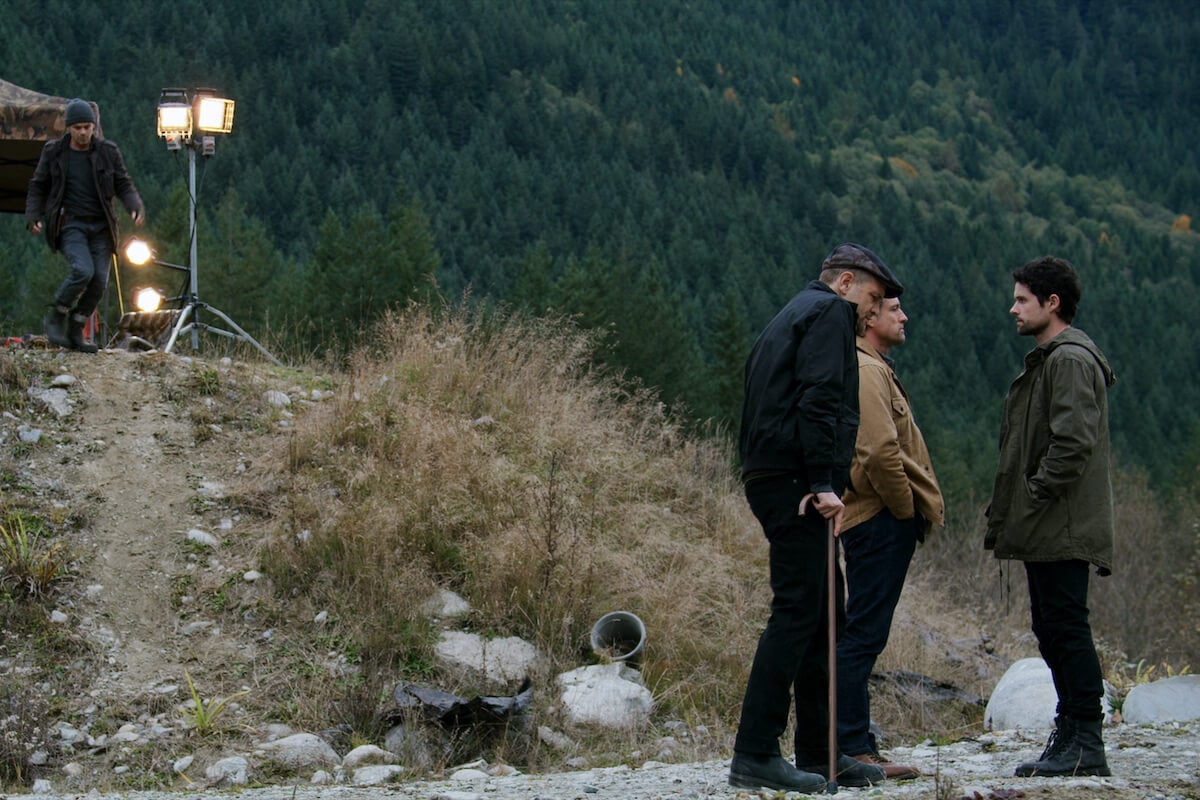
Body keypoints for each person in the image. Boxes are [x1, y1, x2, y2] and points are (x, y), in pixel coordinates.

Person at [729, 243, 902, 793]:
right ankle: (755, 753)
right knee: (800, 611)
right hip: (797, 482)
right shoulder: (828, 311)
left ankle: (821, 754)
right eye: (872, 299)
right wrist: (824, 483)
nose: (873, 312)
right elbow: (821, 397)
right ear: (845, 282)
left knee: (827, 614)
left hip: (771, 474)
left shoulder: (790, 314)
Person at [985, 255, 1115, 778]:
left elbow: (1072, 442)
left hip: (1060, 522)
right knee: (1052, 626)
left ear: (1051, 302)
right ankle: (1072, 734)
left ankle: (1085, 742)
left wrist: (1034, 495)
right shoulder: (1051, 358)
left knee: (1065, 627)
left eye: (1022, 299)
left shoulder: (1067, 360)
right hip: (1050, 521)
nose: (1012, 308)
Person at [837, 296, 944, 779]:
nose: (904, 317)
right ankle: (851, 748)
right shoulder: (867, 370)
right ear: (871, 317)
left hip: (875, 519)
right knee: (862, 634)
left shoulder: (874, 368)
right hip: (878, 519)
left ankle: (852, 743)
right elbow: (880, 451)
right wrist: (904, 511)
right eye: (895, 309)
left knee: (862, 631)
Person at [25, 97, 145, 353]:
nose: (82, 132)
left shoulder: (107, 152)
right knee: (83, 271)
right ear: (68, 128)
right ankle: (57, 315)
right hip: (71, 224)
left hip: (101, 227)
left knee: (100, 281)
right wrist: (33, 215)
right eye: (77, 127)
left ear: (93, 127)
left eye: (87, 127)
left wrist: (134, 205)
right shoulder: (55, 153)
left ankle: (76, 326)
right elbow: (38, 185)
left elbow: (123, 183)